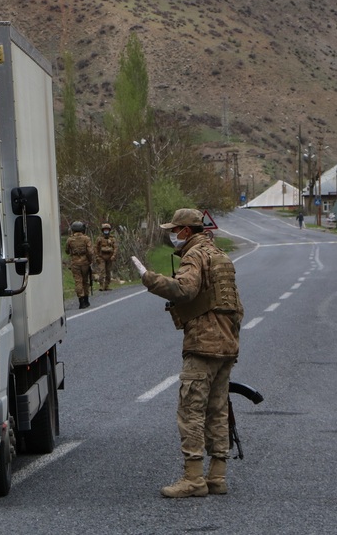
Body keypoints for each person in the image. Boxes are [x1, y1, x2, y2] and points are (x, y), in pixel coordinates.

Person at [130, 208, 244, 498]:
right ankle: (217, 476)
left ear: (186, 231)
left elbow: (184, 290)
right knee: (217, 411)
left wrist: (149, 278)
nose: (172, 235)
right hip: (226, 343)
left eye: (174, 230)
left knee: (191, 410)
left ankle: (193, 479)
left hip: (203, 344)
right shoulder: (221, 256)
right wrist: (231, 340)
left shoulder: (195, 255)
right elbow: (236, 306)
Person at [65, 221, 94, 309]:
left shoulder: (70, 239)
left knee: (78, 281)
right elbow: (90, 252)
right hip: (85, 263)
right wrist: (90, 260)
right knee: (85, 281)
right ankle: (86, 300)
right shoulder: (86, 239)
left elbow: (66, 250)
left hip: (75, 263)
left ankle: (81, 301)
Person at [94, 222, 118, 291]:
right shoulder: (99, 239)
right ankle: (101, 285)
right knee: (102, 271)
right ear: (102, 230)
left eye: (107, 230)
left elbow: (115, 248)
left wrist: (113, 256)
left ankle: (107, 285)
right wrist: (97, 256)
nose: (106, 231)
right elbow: (96, 248)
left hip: (110, 258)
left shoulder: (112, 239)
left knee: (108, 272)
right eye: (105, 230)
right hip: (101, 257)